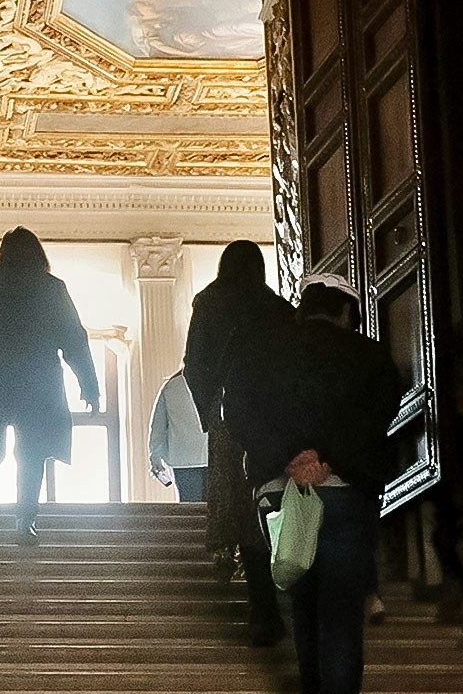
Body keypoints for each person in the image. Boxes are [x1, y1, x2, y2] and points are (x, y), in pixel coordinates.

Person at [232, 275, 402, 694]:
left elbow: (235, 410)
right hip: (344, 496)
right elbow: (377, 417)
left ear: (303, 306)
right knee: (342, 616)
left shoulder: (259, 351)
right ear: (347, 312)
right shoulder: (370, 356)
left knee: (303, 604)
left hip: (280, 492)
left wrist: (290, 457)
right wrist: (327, 459)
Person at [0, 227, 101, 550]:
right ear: (38, 254)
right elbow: (73, 337)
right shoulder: (51, 288)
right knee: (31, 453)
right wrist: (89, 385)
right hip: (36, 381)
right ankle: (25, 521)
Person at [184, 240, 291, 644]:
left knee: (239, 498)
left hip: (229, 413)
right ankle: (284, 591)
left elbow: (194, 361)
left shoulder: (209, 302)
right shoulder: (278, 307)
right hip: (276, 415)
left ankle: (260, 607)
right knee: (273, 498)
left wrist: (209, 408)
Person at [148, 368, 207, 501]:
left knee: (190, 511)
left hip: (182, 459)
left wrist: (155, 458)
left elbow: (158, 428)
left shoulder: (171, 386)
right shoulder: (215, 382)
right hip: (213, 456)